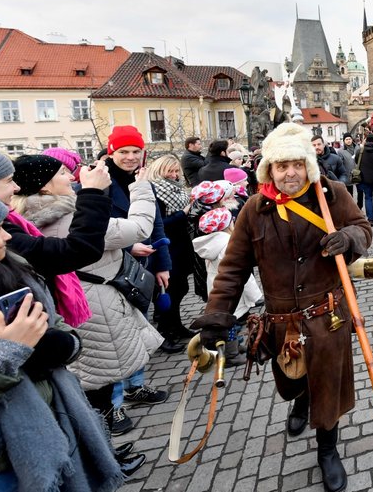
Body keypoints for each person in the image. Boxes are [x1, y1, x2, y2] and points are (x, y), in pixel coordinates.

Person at [190, 122, 371, 492]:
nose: (290, 173)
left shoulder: (331, 194)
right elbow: (233, 268)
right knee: (294, 377)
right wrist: (217, 317)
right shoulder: (255, 210)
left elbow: (363, 227)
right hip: (282, 320)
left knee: (328, 383)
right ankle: (300, 402)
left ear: (308, 165)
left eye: (297, 164)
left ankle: (327, 449)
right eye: (281, 166)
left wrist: (348, 237)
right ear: (268, 170)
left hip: (328, 314)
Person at [0, 193, 125, 491]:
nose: (7, 236)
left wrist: (64, 344)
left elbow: (54, 321)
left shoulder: (10, 266)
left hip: (53, 421)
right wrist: (8, 353)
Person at [0, 146, 110, 331]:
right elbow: (76, 250)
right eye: (9, 180)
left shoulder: (8, 220)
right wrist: (92, 192)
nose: (17, 187)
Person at [102, 126, 171, 429]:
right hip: (110, 270)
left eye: (135, 152)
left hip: (143, 267)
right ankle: (112, 405)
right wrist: (129, 244)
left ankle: (135, 385)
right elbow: (94, 229)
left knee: (140, 326)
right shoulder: (98, 184)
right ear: (111, 153)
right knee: (115, 339)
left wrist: (162, 264)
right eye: (123, 152)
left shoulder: (146, 183)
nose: (130, 157)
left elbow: (156, 226)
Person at [192, 206, 261, 367]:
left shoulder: (211, 243)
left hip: (216, 286)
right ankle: (230, 354)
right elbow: (241, 273)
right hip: (231, 292)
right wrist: (256, 296)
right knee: (230, 323)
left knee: (232, 322)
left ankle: (235, 346)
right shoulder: (227, 244)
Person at [146, 155, 196, 347]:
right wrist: (181, 214)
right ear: (160, 170)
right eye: (170, 171)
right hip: (166, 247)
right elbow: (157, 226)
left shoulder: (176, 190)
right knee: (167, 292)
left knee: (180, 288)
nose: (174, 175)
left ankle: (177, 326)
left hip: (181, 245)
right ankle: (165, 333)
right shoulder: (156, 191)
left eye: (177, 171)